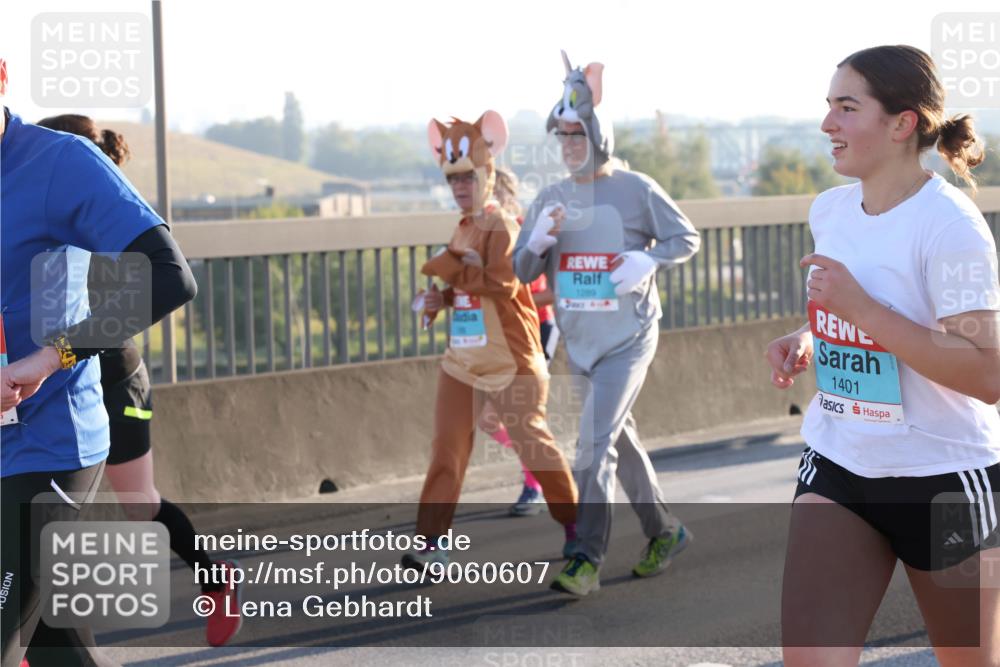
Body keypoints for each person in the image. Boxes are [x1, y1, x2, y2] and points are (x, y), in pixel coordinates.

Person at [766, 45, 1000, 666]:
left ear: (903, 124)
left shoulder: (950, 226)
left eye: (847, 108)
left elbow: (986, 372)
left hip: (943, 477)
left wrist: (863, 310)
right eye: (828, 107)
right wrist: (810, 337)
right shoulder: (831, 209)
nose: (827, 125)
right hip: (840, 460)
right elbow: (849, 310)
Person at [0, 61, 198, 665]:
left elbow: (167, 277)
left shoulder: (58, 162)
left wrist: (48, 358)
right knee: (59, 648)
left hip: (46, 447)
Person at [35, 114, 243, 649]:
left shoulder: (103, 215)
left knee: (140, 505)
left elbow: (165, 281)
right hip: (52, 383)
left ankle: (216, 580)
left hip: (112, 376)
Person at [513, 51, 701, 596]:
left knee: (593, 447)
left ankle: (584, 557)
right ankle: (665, 530)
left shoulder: (636, 189)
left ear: (600, 133)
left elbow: (684, 237)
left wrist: (649, 260)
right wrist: (538, 241)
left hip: (629, 339)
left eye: (579, 132)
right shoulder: (550, 199)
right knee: (620, 441)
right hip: (582, 344)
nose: (570, 144)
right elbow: (521, 272)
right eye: (563, 135)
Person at [402, 111, 578, 570]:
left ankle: (580, 528)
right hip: (462, 361)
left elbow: (500, 281)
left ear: (487, 173)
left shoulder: (503, 226)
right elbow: (467, 287)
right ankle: (432, 544)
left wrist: (446, 267)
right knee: (447, 450)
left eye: (467, 178)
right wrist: (437, 299)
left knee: (535, 449)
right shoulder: (463, 226)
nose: (460, 187)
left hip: (511, 361)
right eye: (453, 180)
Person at [481, 167, 560, 517]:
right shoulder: (481, 233)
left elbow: (550, 294)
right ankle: (542, 464)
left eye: (491, 192)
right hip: (499, 337)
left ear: (504, 195)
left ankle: (535, 484)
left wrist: (514, 297)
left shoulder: (526, 230)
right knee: (487, 417)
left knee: (521, 415)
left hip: (536, 331)